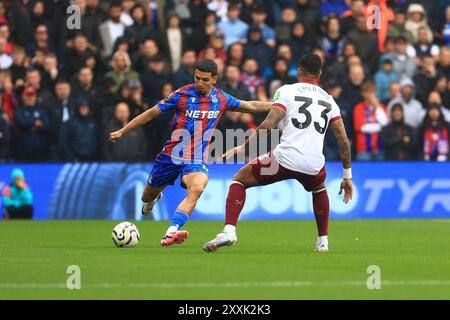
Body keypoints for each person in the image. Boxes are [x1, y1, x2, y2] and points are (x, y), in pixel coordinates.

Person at [109, 59, 272, 247]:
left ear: (215, 79)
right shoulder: (182, 94)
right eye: (197, 78)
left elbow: (250, 106)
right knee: (146, 198)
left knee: (197, 188)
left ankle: (171, 232)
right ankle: (153, 198)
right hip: (170, 156)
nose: (200, 83)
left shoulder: (221, 98)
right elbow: (152, 113)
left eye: (205, 79)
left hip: (196, 158)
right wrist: (122, 131)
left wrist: (278, 105)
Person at [203, 54, 353, 253]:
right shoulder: (330, 101)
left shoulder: (287, 91)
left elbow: (268, 124)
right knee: (319, 189)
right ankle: (323, 242)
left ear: (299, 71)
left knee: (239, 180)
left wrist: (242, 148)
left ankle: (229, 231)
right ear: (320, 74)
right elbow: (343, 140)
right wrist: (347, 176)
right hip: (314, 164)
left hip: (284, 159)